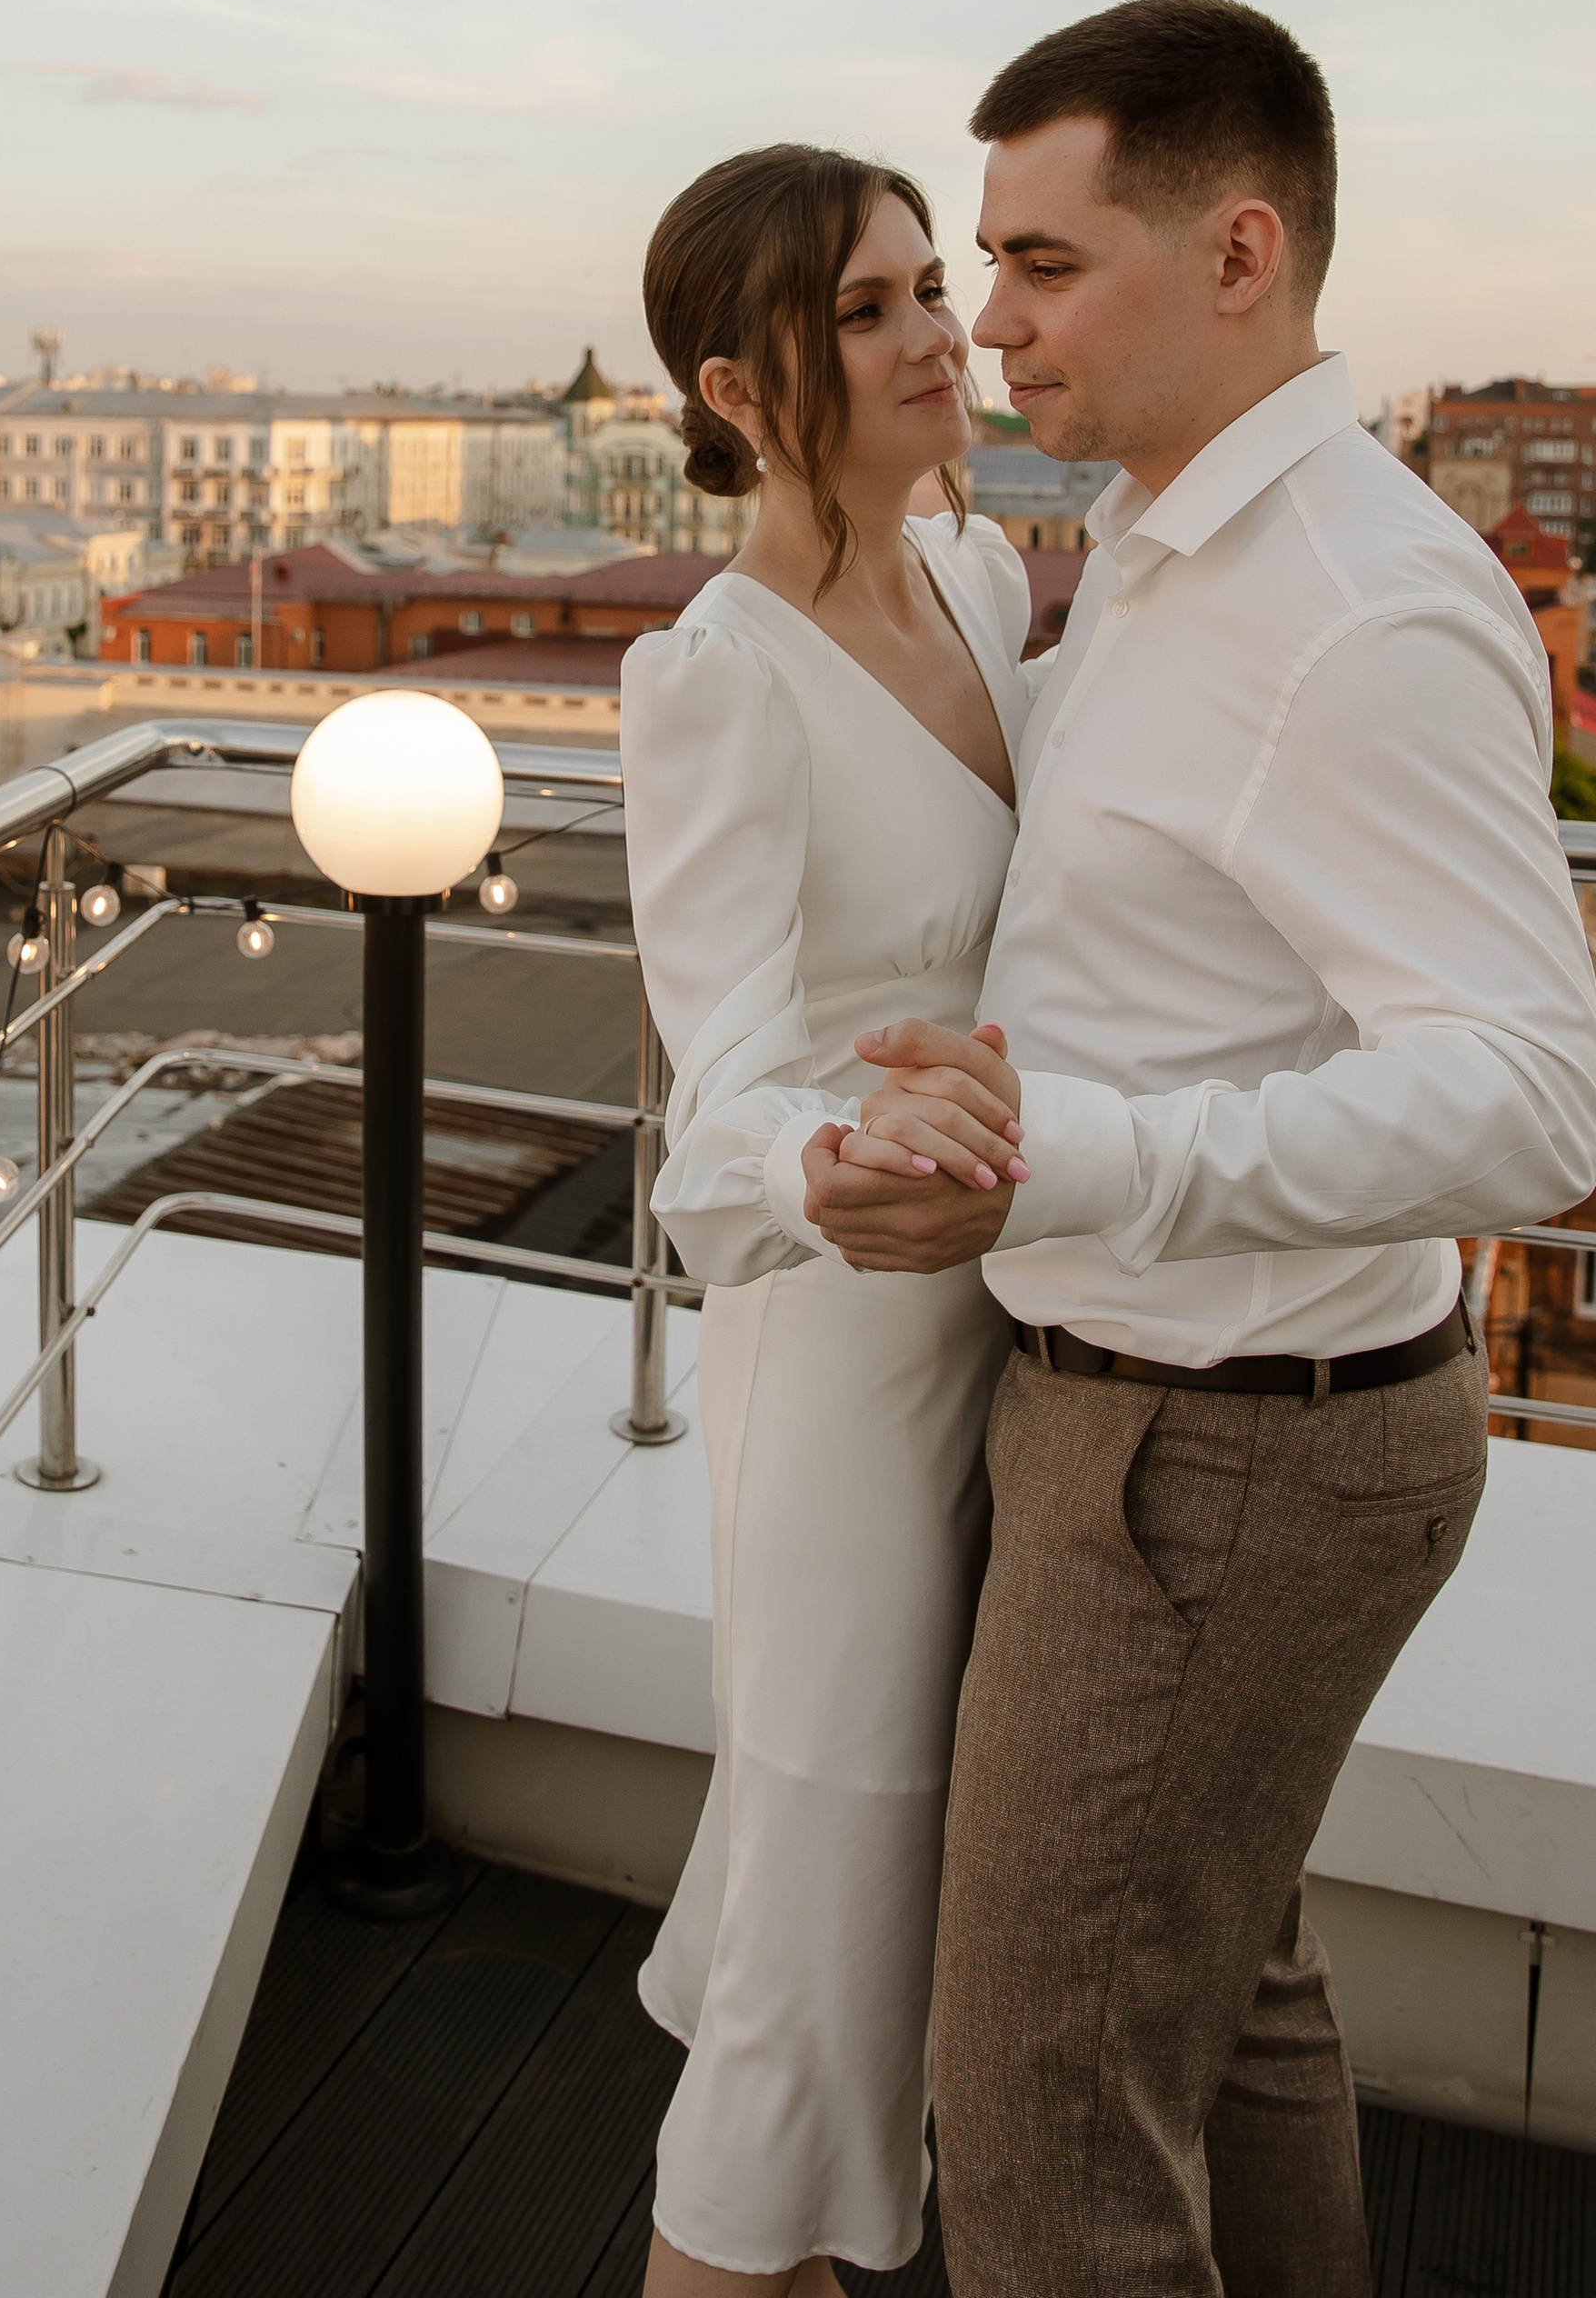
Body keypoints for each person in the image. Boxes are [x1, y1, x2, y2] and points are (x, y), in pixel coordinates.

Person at [801, 0, 1596, 2298]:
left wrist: (1072, 1161)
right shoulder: (1163, 539)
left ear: (1239, 249)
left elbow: (1533, 1097)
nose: (990, 324)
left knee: (1045, 2124)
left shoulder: (1346, 607)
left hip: (1221, 1462)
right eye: (979, 267)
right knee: (1217, 2016)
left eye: (1044, 266)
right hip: (1184, 1428)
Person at [621, 143, 1035, 2298]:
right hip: (849, 1360)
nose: (931, 336)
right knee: (815, 1984)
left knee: (882, 1898)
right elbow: (724, 1088)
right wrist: (829, 1170)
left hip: (1018, 1329)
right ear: (742, 383)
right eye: (864, 312)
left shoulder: (976, 577)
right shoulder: (713, 671)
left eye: (929, 287)